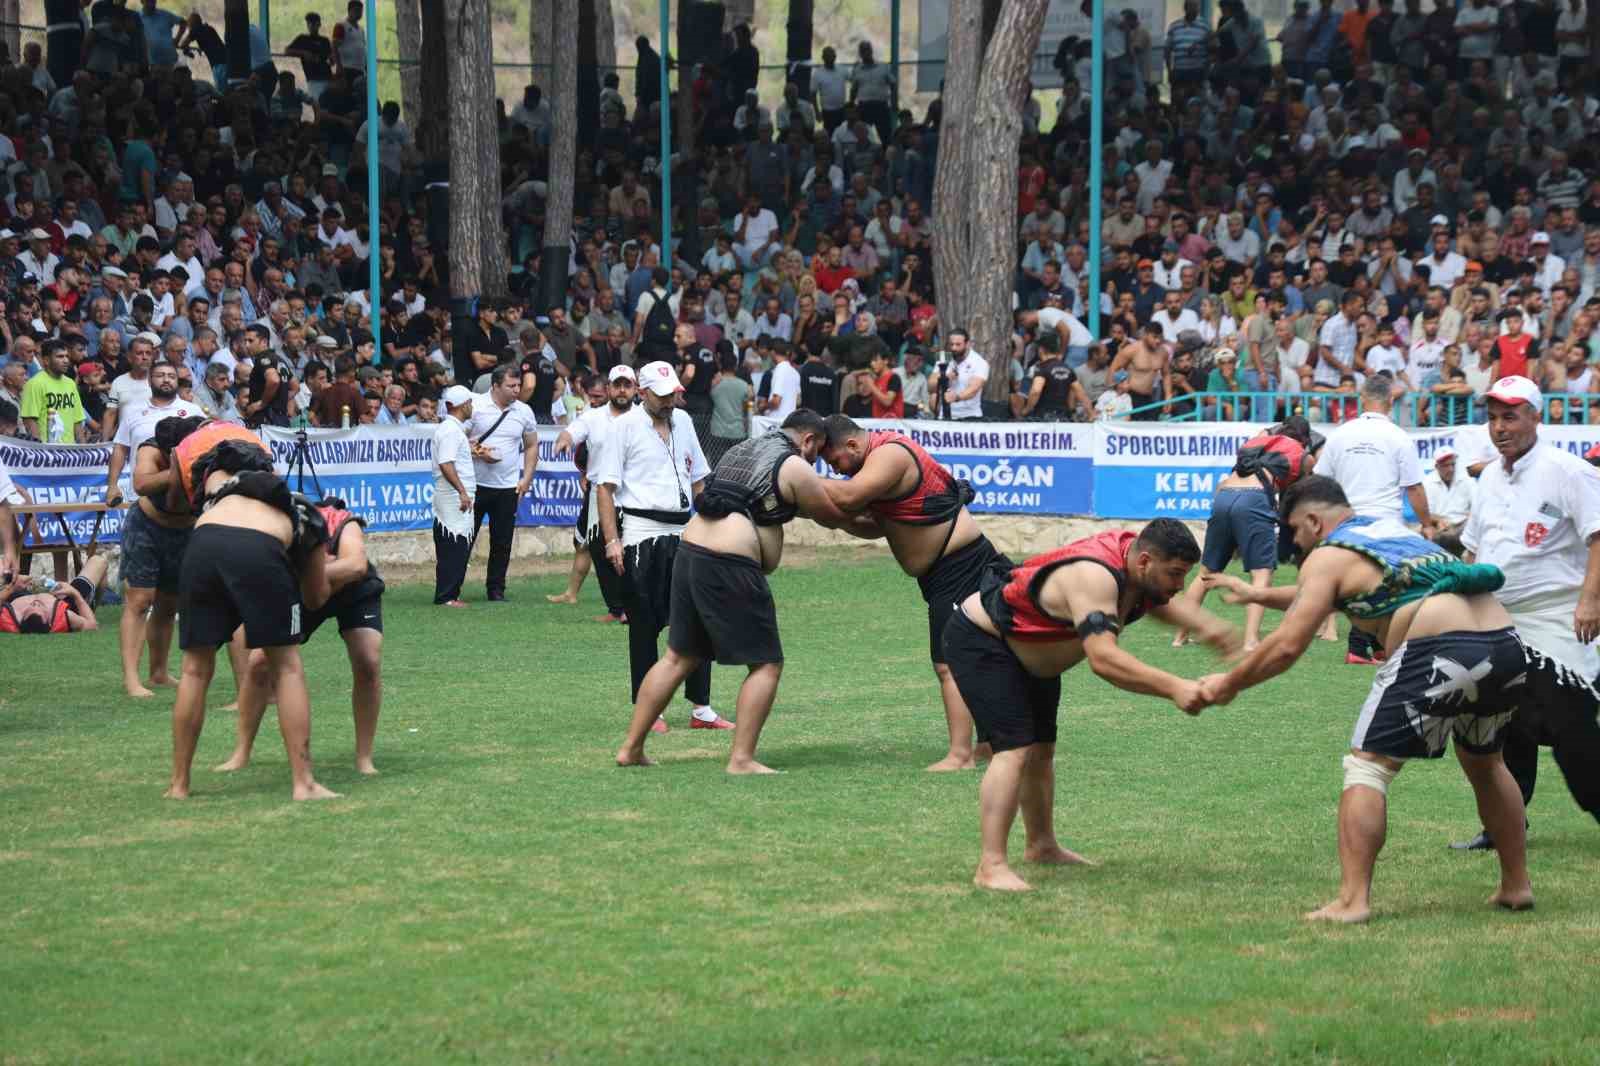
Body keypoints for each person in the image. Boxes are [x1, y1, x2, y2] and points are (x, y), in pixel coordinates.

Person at [1195, 475, 1591, 922]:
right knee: (1486, 761)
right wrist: (1259, 593)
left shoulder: (1328, 555)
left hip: (1443, 647)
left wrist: (1227, 685)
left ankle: (1352, 901)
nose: (1296, 545)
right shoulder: (1387, 534)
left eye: (1295, 533)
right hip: (1504, 645)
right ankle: (1516, 886)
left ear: (1313, 520)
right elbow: (1326, 594)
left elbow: (1287, 645)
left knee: (1367, 766)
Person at [946, 520, 1237, 891]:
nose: (1179, 585)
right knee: (1013, 750)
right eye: (1176, 574)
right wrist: (1175, 687)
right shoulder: (1094, 575)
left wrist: (1207, 627)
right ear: (1145, 560)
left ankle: (1041, 845)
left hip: (1032, 652)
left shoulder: (1137, 569)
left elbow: (1149, 600)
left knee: (1041, 750)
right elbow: (1103, 659)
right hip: (983, 641)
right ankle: (991, 865)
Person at [616, 410, 859, 772]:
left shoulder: (743, 449)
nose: (815, 461)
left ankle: (631, 749)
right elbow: (831, 514)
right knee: (766, 664)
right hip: (727, 562)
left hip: (690, 550)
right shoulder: (793, 465)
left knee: (677, 657)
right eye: (816, 452)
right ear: (808, 440)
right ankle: (742, 759)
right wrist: (890, 519)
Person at [1451, 376, 1600, 849]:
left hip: (1560, 618)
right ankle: (1504, 826)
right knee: (1502, 723)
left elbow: (1598, 537)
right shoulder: (1490, 476)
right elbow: (1473, 550)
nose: (1499, 427)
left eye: (1510, 415)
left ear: (1537, 416)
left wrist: (1591, 600)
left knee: (1566, 726)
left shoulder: (1568, 471)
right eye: (1493, 417)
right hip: (1500, 618)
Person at [820, 415, 1014, 770]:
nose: (838, 471)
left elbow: (848, 497)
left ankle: (960, 755)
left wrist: (795, 480)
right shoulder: (877, 463)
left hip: (961, 566)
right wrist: (830, 516)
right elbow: (875, 526)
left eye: (835, 462)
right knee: (982, 656)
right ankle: (990, 744)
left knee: (949, 663)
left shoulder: (889, 455)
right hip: (947, 571)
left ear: (852, 445)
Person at [165, 432, 338, 802]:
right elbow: (316, 594)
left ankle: (178, 784)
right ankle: (303, 783)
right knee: (287, 666)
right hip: (260, 546)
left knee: (195, 669)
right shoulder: (299, 506)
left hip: (202, 544)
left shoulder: (216, 503)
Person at [594, 362, 729, 730]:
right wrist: (612, 541)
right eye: (663, 395)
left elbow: (699, 478)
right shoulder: (621, 429)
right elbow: (604, 488)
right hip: (640, 532)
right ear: (643, 392)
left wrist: (712, 529)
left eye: (673, 394)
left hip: (685, 531)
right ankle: (648, 708)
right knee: (644, 625)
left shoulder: (683, 422)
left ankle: (701, 708)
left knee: (698, 619)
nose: (670, 401)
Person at [217, 495, 386, 777]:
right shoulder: (271, 530)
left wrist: (307, 571)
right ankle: (241, 752)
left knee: (368, 663)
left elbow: (355, 565)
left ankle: (364, 758)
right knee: (259, 663)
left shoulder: (343, 522)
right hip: (303, 594)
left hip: (354, 591)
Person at [1171, 418, 1319, 651]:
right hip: (1254, 499)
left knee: (1206, 574)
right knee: (1261, 576)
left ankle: (1179, 636)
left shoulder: (1257, 441)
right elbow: (1302, 492)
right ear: (1305, 439)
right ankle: (1251, 640)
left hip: (1224, 495)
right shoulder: (1302, 455)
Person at [103, 363, 205, 697]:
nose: (165, 380)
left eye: (171, 376)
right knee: (139, 599)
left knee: (168, 603)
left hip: (185, 528)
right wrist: (177, 470)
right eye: (160, 374)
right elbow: (142, 482)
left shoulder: (195, 420)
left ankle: (159, 673)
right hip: (147, 524)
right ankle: (132, 679)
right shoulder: (148, 447)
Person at [1318, 376, 1434, 663]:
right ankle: (1358, 647)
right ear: (1391, 401)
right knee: (1385, 586)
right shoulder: (1398, 436)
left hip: (1347, 523)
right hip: (1385, 523)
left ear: (1361, 399)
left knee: (1357, 582)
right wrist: (1427, 523)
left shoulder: (1341, 434)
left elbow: (1319, 480)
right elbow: (1415, 488)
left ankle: (1375, 645)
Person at [551, 367, 635, 620]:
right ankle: (616, 609)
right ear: (609, 388)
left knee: (632, 550)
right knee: (599, 550)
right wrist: (564, 438)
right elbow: (573, 431)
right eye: (617, 385)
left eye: (627, 385)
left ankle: (633, 607)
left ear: (635, 388)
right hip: (601, 494)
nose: (621, 390)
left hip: (633, 494)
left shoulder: (644, 418)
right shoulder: (593, 417)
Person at [468, 365, 539, 602]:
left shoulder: (524, 411)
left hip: (508, 487)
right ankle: (452, 587)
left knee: (502, 542)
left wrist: (526, 478)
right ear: (496, 385)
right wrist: (479, 452)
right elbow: (457, 439)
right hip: (475, 485)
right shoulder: (475, 406)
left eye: (518, 385)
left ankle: (496, 589)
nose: (516, 390)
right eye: (511, 386)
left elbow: (531, 445)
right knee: (465, 538)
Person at [431, 386, 477, 607]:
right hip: (452, 495)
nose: (472, 406)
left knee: (455, 544)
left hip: (451, 494)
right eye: (469, 402)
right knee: (454, 544)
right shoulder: (450, 430)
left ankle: (450, 593)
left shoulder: (452, 429)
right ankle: (447, 596)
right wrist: (462, 491)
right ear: (462, 405)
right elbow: (446, 464)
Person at [0, 555, 108, 634]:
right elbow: (92, 626)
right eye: (41, 607)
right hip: (67, 601)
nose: (36, 603)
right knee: (99, 561)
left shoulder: (8, 618)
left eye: (31, 607)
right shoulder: (65, 617)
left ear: (21, 619)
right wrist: (75, 594)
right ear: (50, 621)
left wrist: (12, 587)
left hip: (18, 595)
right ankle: (89, 606)